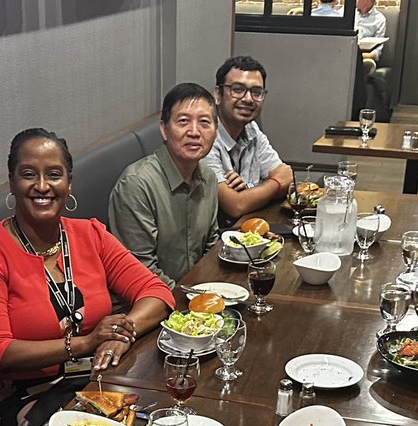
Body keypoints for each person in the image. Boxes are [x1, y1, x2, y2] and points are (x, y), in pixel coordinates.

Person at [0, 129, 174, 426]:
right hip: (31, 397)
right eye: (29, 174)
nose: (42, 186)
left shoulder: (90, 234)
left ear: (69, 182)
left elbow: (157, 293)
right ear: (11, 181)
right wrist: (85, 344)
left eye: (54, 174)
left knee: (169, 422)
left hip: (102, 378)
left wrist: (123, 334)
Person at [109, 83, 220, 289]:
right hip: (145, 302)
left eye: (204, 122)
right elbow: (139, 269)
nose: (194, 132)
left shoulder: (208, 177)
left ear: (215, 132)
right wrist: (189, 300)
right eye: (183, 122)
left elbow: (211, 245)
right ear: (164, 129)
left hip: (193, 294)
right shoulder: (137, 184)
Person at [204, 56, 294, 223]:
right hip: (216, 239)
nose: (248, 99)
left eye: (256, 92)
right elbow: (235, 206)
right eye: (237, 90)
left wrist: (250, 192)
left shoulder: (250, 128)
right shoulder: (204, 136)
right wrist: (274, 183)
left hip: (249, 227)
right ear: (218, 94)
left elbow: (287, 178)